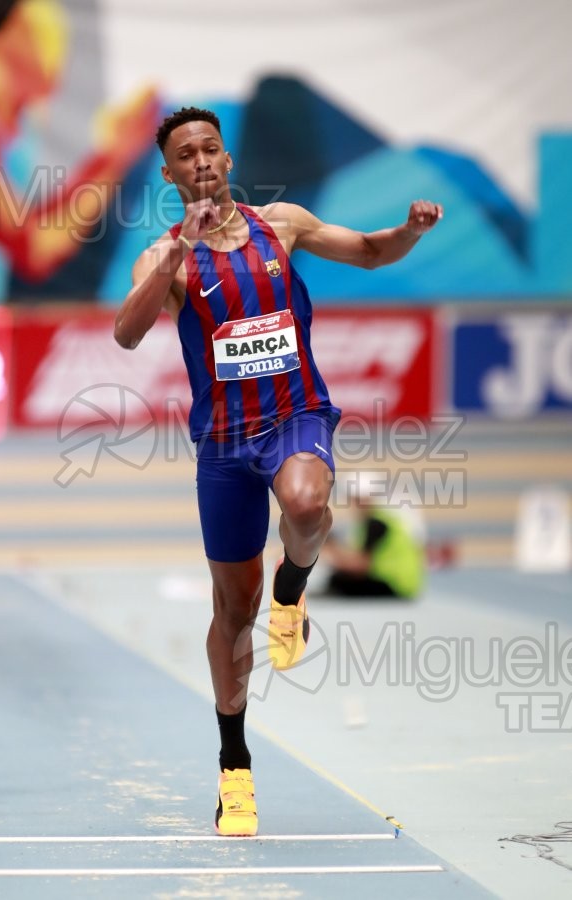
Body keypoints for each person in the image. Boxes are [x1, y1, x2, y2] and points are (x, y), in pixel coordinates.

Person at [113, 106, 443, 837]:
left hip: (296, 418)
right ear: (169, 175)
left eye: (210, 148)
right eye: (185, 155)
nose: (200, 161)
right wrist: (173, 260)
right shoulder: (164, 256)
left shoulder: (280, 225)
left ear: (227, 161)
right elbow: (127, 332)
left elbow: (366, 251)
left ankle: (294, 588)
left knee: (303, 502)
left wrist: (410, 230)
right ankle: (234, 770)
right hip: (224, 445)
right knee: (232, 611)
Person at [0, 0, 158, 302]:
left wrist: (113, 156)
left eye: (56, 37)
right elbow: (35, 248)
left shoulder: (16, 135)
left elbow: (46, 232)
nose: (51, 49)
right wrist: (113, 158)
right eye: (36, 33)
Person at [322, 470, 426, 598]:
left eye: (355, 499)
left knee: (338, 581)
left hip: (394, 585)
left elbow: (360, 566)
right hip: (402, 584)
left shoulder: (376, 523)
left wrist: (329, 551)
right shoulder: (382, 519)